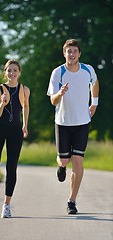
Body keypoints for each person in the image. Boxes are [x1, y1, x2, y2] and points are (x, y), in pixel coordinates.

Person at [47, 39, 99, 214]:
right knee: (64, 160)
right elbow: (52, 100)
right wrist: (60, 93)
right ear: (64, 53)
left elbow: (95, 83)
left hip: (82, 122)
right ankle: (61, 166)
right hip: (62, 122)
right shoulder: (58, 72)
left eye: (75, 51)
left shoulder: (88, 70)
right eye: (69, 51)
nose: (72, 54)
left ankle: (72, 201)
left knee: (78, 161)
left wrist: (94, 103)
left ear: (79, 53)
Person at [0, 59, 30, 218]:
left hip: (15, 131)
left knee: (12, 167)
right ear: (5, 73)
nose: (12, 73)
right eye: (9, 70)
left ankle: (6, 204)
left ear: (19, 73)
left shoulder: (25, 90)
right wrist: (2, 104)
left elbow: (26, 106)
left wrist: (25, 125)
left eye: (15, 70)